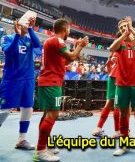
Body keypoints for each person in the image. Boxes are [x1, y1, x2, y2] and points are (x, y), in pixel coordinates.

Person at [33, 19, 89, 162]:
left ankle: (44, 145)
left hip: (48, 81)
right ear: (65, 29)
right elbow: (72, 56)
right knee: (52, 115)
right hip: (51, 83)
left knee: (48, 114)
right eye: (69, 28)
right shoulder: (57, 41)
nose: (69, 31)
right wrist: (80, 46)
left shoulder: (52, 42)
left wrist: (77, 47)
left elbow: (66, 61)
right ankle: (40, 150)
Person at [109, 17, 135, 156]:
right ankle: (124, 145)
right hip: (122, 84)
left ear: (130, 26)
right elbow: (111, 48)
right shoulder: (120, 45)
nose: (123, 29)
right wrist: (123, 36)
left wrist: (131, 31)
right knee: (124, 113)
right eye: (121, 28)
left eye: (125, 26)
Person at [0, 17, 41, 150]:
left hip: (28, 80)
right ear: (17, 24)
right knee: (5, 109)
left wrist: (31, 29)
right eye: (24, 24)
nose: (26, 25)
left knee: (28, 108)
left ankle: (21, 139)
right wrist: (17, 35)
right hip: (12, 80)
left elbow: (38, 46)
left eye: (27, 24)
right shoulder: (9, 38)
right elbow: (9, 51)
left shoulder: (29, 40)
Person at [91, 52, 120, 138]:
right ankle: (117, 131)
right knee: (117, 105)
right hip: (118, 78)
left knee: (109, 103)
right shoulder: (122, 49)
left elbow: (108, 64)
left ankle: (98, 128)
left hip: (111, 77)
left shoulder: (115, 51)